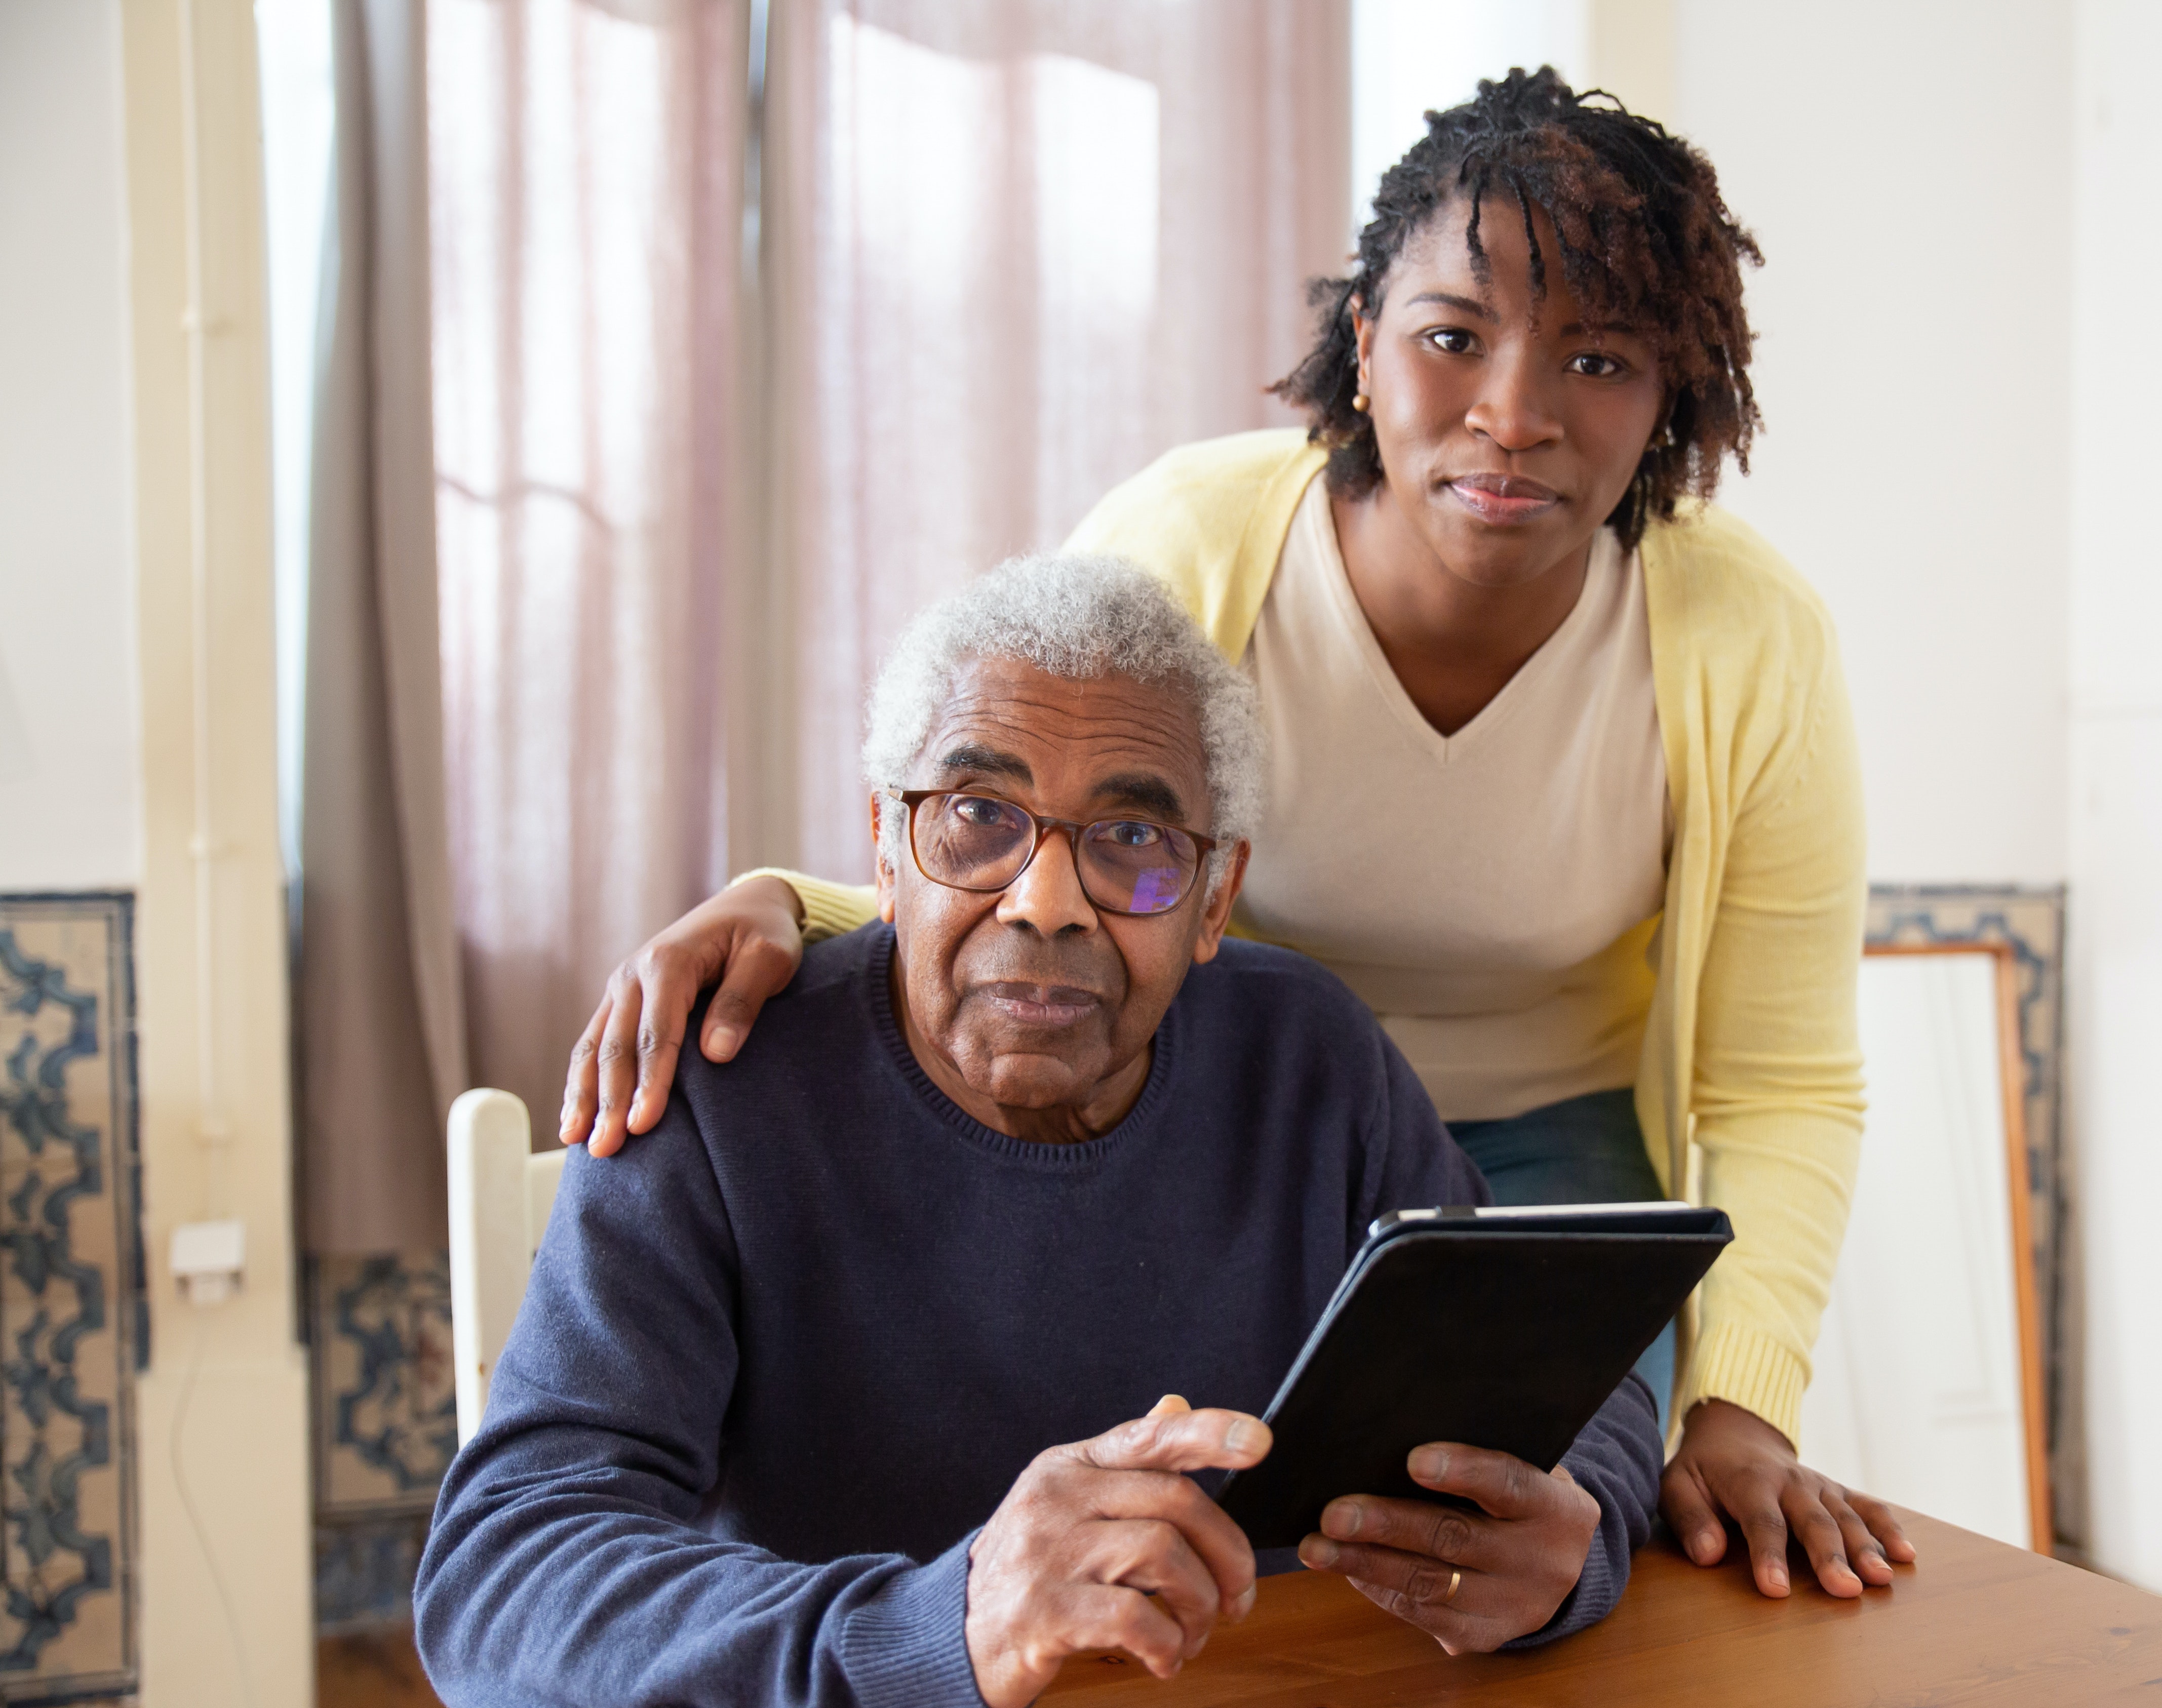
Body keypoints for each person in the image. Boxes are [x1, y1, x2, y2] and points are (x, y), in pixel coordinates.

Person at [557, 69, 1917, 1603]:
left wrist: (1737, 1412)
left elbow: (1782, 1079)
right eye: (1453, 335)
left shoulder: (1751, 639)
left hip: (1554, 1168)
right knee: (1229, 1563)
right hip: (1246, 1130)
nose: (1516, 414)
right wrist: (786, 904)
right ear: (1365, 339)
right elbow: (1032, 826)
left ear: (1673, 391)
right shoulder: (1200, 542)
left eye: (1599, 358)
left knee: (1537, 1584)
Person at [417, 558, 1658, 1708]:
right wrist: (941, 1627)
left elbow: (1575, 1385)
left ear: (1215, 899)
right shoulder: (718, 1083)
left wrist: (1572, 1549)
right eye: (977, 819)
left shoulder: (1311, 1060)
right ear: (886, 852)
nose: (1046, 901)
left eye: (1132, 837)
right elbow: (505, 1573)